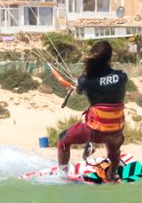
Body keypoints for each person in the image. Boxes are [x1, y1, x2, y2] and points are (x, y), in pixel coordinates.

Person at [55, 40, 128, 182]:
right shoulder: (122, 76)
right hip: (116, 132)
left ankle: (63, 175)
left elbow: (80, 90)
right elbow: (109, 85)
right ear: (110, 57)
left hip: (93, 132)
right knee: (114, 148)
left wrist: (84, 77)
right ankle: (112, 174)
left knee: (62, 139)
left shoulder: (86, 80)